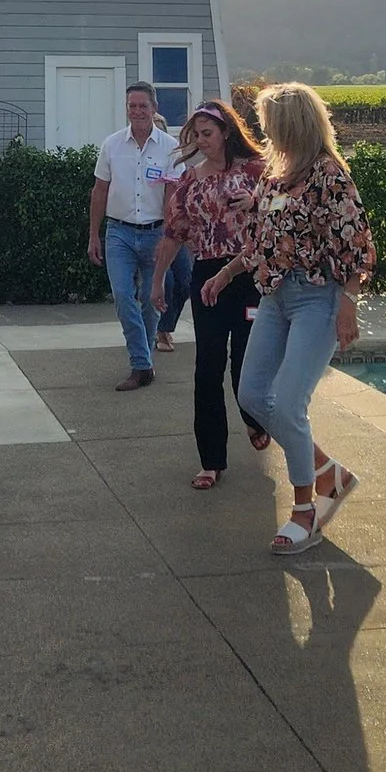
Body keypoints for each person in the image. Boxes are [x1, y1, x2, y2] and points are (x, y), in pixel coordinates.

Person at [235, 84, 373, 556]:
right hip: (275, 298)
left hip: (316, 299)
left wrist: (348, 305)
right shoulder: (273, 175)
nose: (263, 129)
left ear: (290, 123)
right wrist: (225, 276)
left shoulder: (328, 175)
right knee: (252, 393)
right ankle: (329, 474)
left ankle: (304, 510)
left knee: (290, 403)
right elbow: (258, 238)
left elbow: (357, 244)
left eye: (269, 121)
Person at [155, 103, 270, 489]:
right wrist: (158, 283)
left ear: (225, 132)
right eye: (196, 135)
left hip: (250, 275)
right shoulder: (189, 181)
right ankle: (211, 461)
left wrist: (254, 202)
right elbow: (173, 232)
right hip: (207, 276)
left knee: (245, 364)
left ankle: (255, 418)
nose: (202, 141)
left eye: (208, 133)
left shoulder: (256, 171)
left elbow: (281, 213)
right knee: (207, 368)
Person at [89, 82, 181, 390]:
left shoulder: (170, 147)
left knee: (151, 300)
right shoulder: (112, 145)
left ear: (154, 109)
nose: (138, 111)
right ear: (126, 109)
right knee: (123, 297)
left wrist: (170, 236)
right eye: (132, 106)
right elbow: (99, 191)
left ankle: (145, 362)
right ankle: (141, 363)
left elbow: (173, 195)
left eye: (143, 106)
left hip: (156, 232)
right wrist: (93, 235)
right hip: (119, 233)